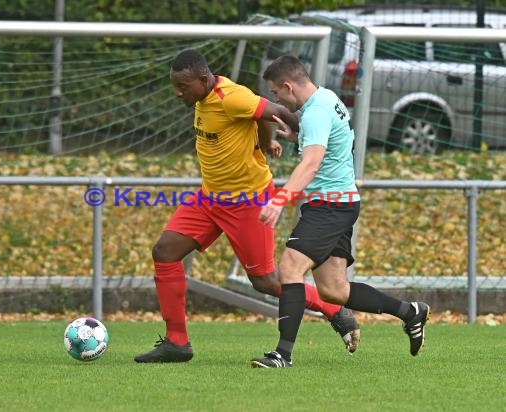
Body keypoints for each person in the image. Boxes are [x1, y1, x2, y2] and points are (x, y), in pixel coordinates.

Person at [134, 49, 361, 363]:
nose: (178, 93)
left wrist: (294, 136)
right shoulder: (202, 98)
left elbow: (278, 111)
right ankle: (176, 343)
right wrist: (265, 141)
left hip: (248, 202)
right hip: (209, 198)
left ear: (203, 79)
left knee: (265, 280)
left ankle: (335, 309)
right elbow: (260, 116)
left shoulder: (232, 97)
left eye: (184, 87)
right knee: (164, 252)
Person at [250, 55, 430, 368]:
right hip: (339, 202)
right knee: (334, 290)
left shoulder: (317, 111)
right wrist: (299, 137)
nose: (275, 99)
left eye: (276, 92)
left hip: (329, 205)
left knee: (290, 268)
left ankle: (282, 355)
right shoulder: (327, 98)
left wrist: (280, 199)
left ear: (289, 86)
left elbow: (312, 163)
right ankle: (410, 312)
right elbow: (338, 142)